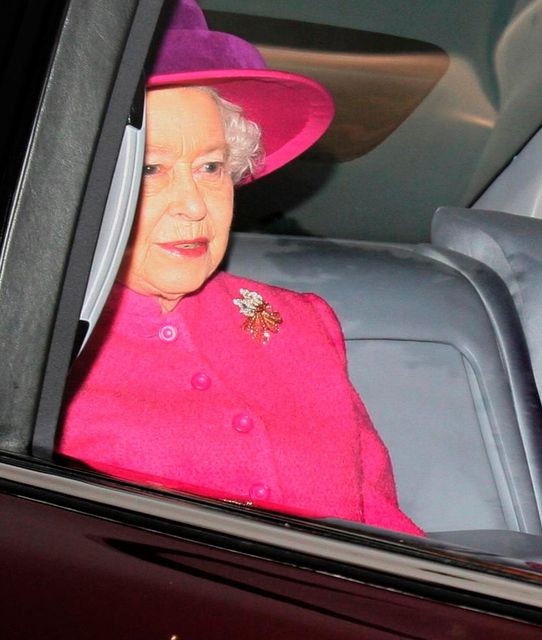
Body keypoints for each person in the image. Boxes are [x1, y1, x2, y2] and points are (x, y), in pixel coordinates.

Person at [58, 0, 421, 536]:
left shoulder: (300, 324)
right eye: (152, 168)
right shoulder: (37, 349)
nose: (194, 205)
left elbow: (387, 533)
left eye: (211, 167)